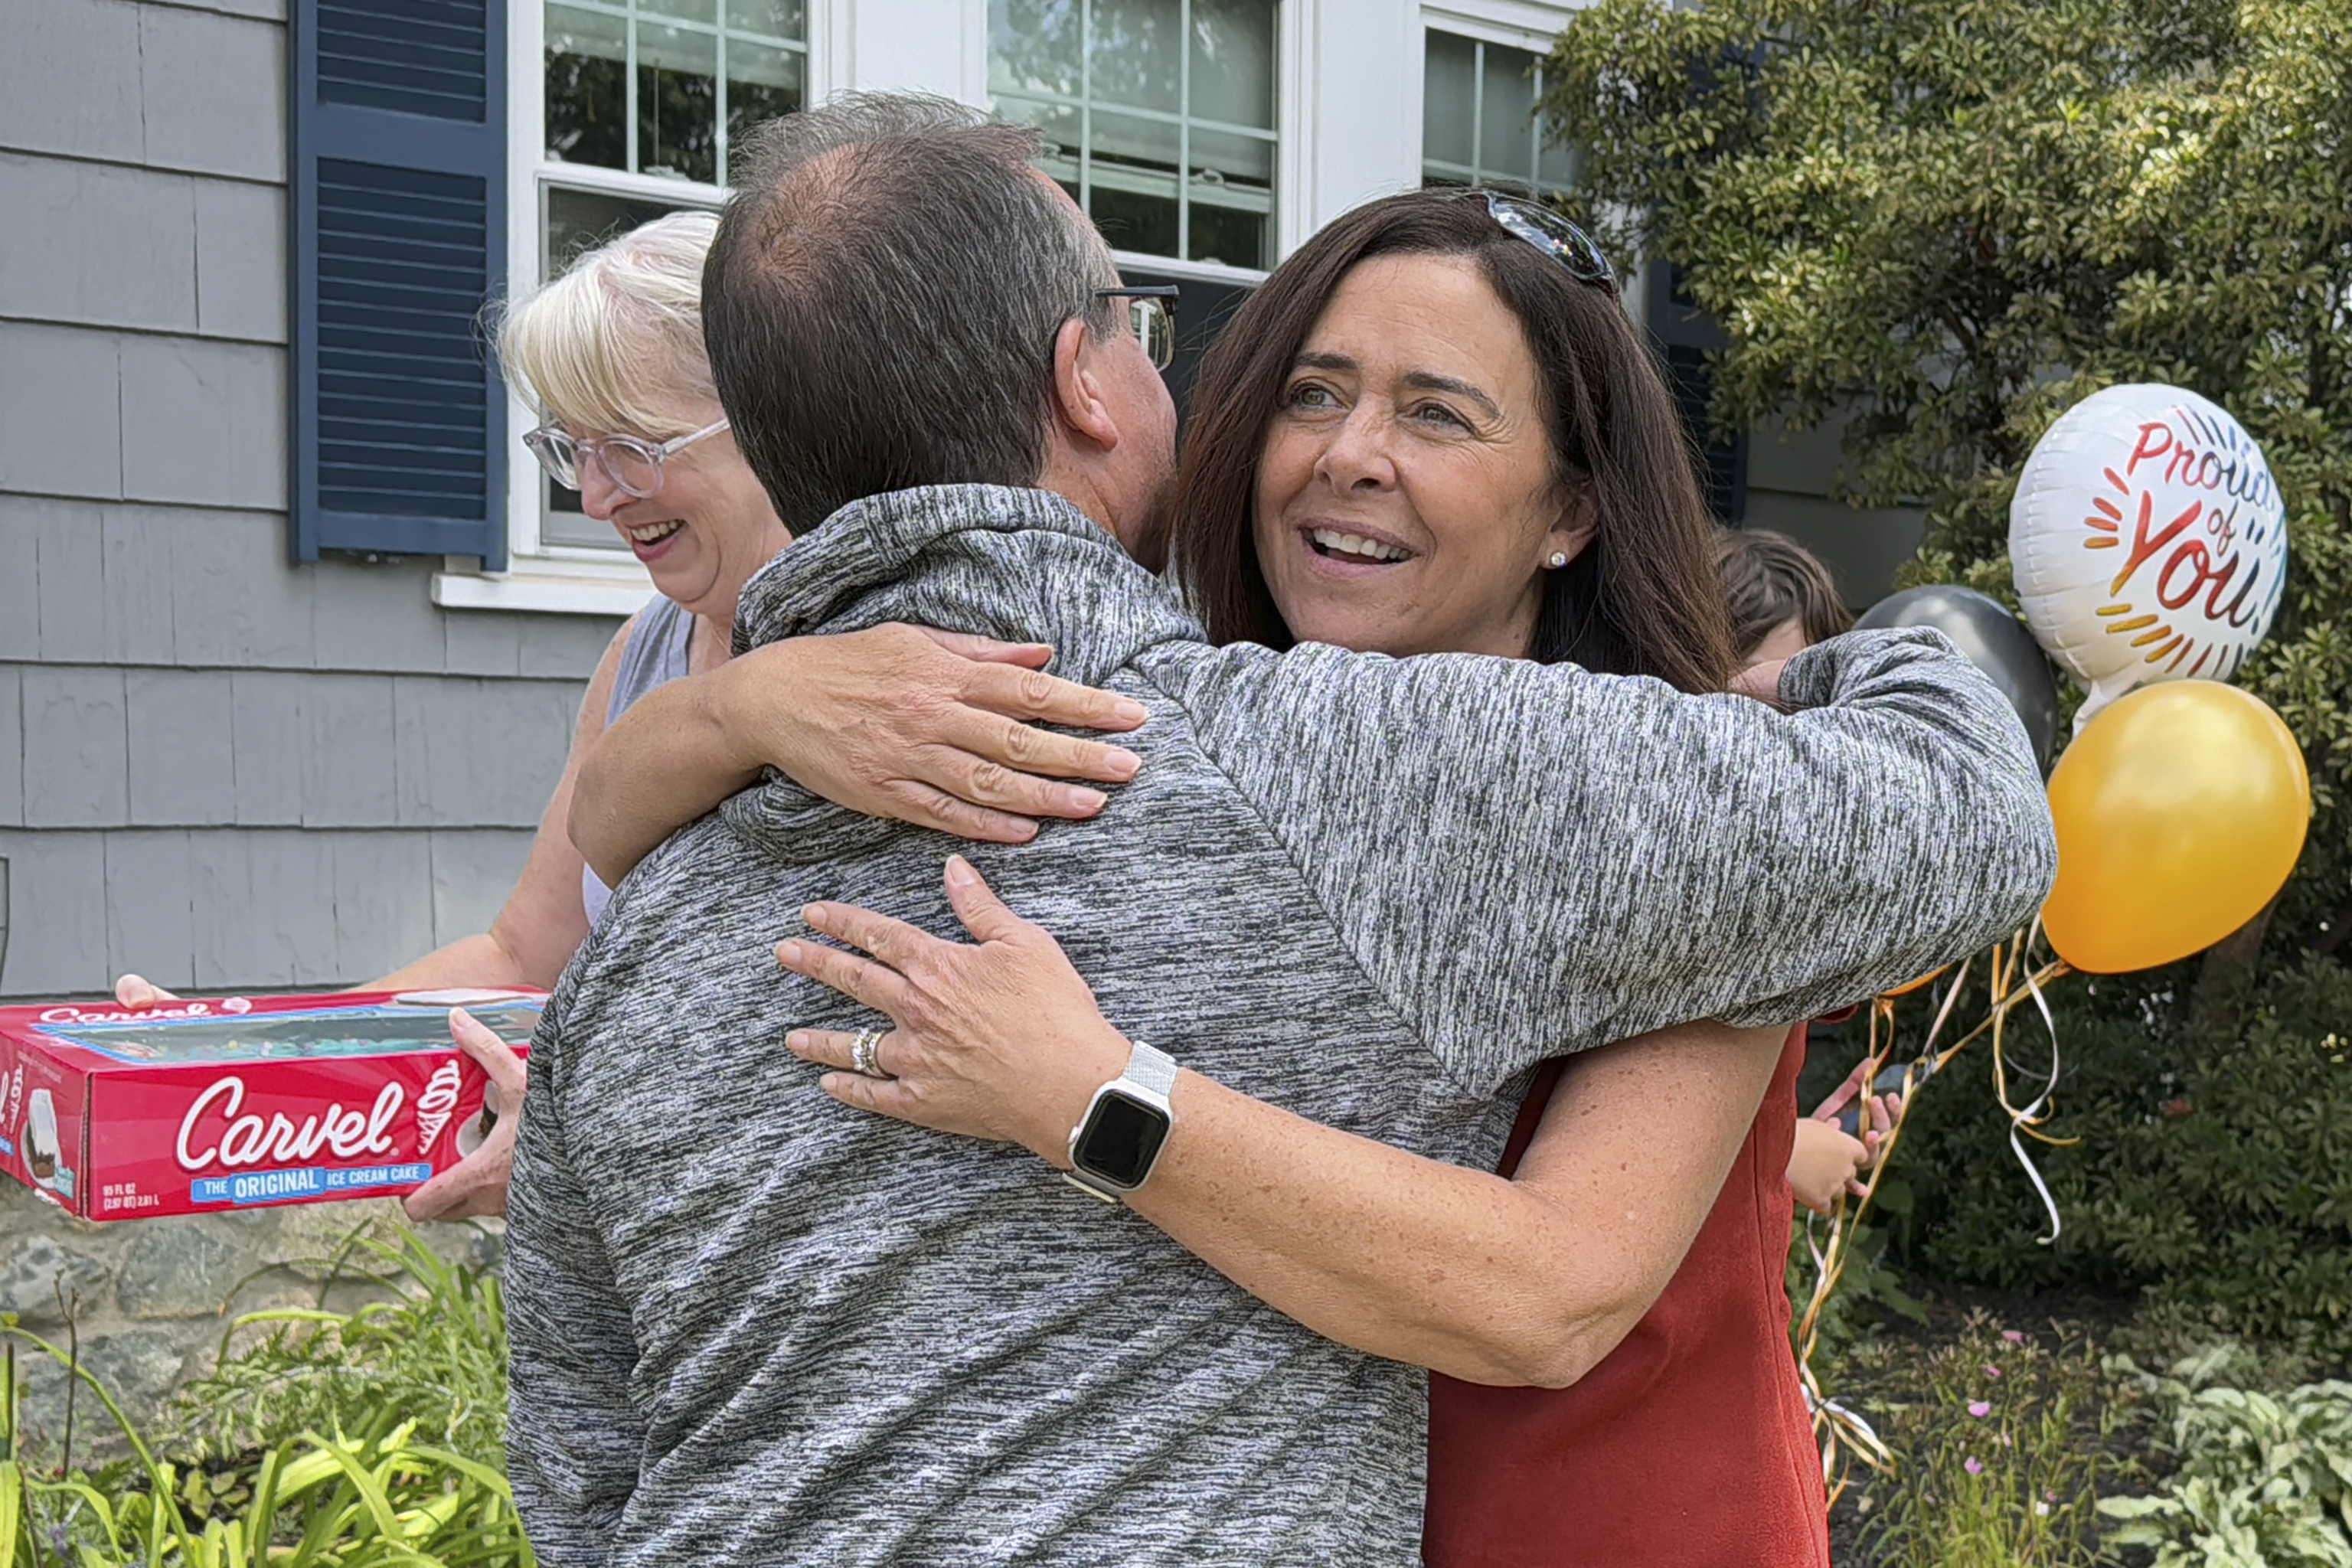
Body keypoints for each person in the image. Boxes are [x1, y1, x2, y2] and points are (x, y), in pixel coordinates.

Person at [502, 93, 2056, 1567]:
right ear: (1087, 383)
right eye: (1308, 389)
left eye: (1437, 413)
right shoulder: (1320, 759)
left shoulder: (634, 970)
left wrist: (1795, 690)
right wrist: (731, 709)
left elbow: (579, 1482)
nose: (1347, 452)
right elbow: (1971, 812)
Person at [110, 210, 1142, 1221]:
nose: (597, 497)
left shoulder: (923, 652)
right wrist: (256, 1054)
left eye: (636, 446)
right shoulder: (647, 646)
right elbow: (526, 959)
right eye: (571, 447)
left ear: (779, 416)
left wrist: (578, 1136)